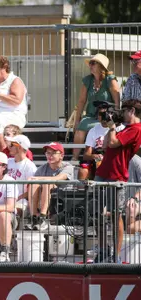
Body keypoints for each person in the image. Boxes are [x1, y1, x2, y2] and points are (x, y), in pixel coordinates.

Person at [94, 99, 141, 263]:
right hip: (103, 172)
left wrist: (113, 127)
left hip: (117, 175)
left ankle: (116, 254)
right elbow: (106, 144)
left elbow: (113, 144)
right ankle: (102, 250)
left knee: (115, 216)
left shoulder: (136, 129)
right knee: (97, 214)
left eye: (124, 110)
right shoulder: (125, 128)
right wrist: (110, 126)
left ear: (132, 111)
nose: (122, 113)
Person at [72, 53, 120, 161]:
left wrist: (116, 117)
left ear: (101, 66)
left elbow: (117, 100)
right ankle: (74, 159)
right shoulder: (87, 80)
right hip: (91, 115)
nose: (90, 65)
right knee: (80, 127)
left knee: (98, 126)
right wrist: (76, 120)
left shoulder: (110, 79)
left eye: (93, 63)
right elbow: (81, 101)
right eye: (90, 63)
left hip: (107, 115)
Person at [26, 142, 74, 231]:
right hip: (46, 201)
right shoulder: (42, 168)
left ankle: (43, 218)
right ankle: (34, 218)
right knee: (34, 184)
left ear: (61, 155)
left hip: (63, 203)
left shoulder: (68, 166)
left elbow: (57, 178)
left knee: (48, 183)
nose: (50, 155)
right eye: (48, 153)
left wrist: (36, 178)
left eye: (54, 153)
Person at [78, 101, 124, 180]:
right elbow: (86, 155)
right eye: (100, 114)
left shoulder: (120, 128)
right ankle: (90, 191)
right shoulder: (93, 130)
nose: (103, 117)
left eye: (105, 114)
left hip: (116, 159)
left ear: (111, 115)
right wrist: (94, 156)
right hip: (99, 160)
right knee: (83, 170)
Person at [5, 135, 37, 218]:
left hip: (21, 201)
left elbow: (32, 190)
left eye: (12, 145)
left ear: (19, 147)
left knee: (14, 212)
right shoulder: (7, 161)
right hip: (4, 198)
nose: (9, 147)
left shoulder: (30, 166)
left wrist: (16, 198)